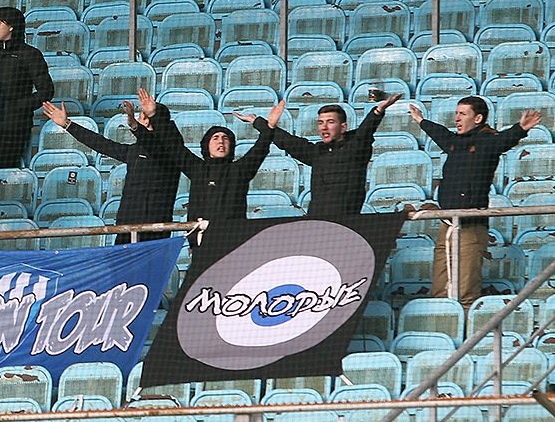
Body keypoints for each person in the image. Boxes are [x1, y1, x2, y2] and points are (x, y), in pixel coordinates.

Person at [410, 96, 542, 308]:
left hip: (471, 225)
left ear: (478, 118)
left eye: (462, 114)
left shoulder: (487, 141)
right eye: (456, 113)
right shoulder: (454, 142)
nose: (456, 118)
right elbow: (439, 133)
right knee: (439, 290)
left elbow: (504, 140)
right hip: (447, 223)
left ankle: (467, 326)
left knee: (465, 292)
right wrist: (421, 120)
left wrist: (520, 128)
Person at [42, 88, 179, 241]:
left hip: (154, 230)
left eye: (141, 117)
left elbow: (164, 141)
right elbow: (100, 143)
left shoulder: (171, 151)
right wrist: (67, 124)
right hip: (126, 226)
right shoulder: (134, 151)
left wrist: (139, 125)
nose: (137, 120)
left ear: (148, 121)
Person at [266, 94, 402, 218]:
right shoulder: (317, 151)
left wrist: (378, 111)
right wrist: (266, 126)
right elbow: (289, 143)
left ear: (343, 127)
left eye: (330, 122)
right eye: (320, 122)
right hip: (316, 224)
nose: (324, 127)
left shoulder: (356, 148)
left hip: (346, 224)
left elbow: (365, 131)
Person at [159, 100, 285, 226]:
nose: (221, 142)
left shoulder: (240, 170)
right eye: (215, 138)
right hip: (200, 235)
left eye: (225, 138)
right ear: (206, 145)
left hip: (233, 235)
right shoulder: (197, 168)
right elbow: (174, 147)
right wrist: (155, 116)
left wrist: (269, 126)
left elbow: (260, 148)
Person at [0, 7, 54, 170]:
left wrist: (18, 106)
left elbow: (46, 90)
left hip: (15, 126)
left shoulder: (30, 54)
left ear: (11, 26)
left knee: (4, 170)